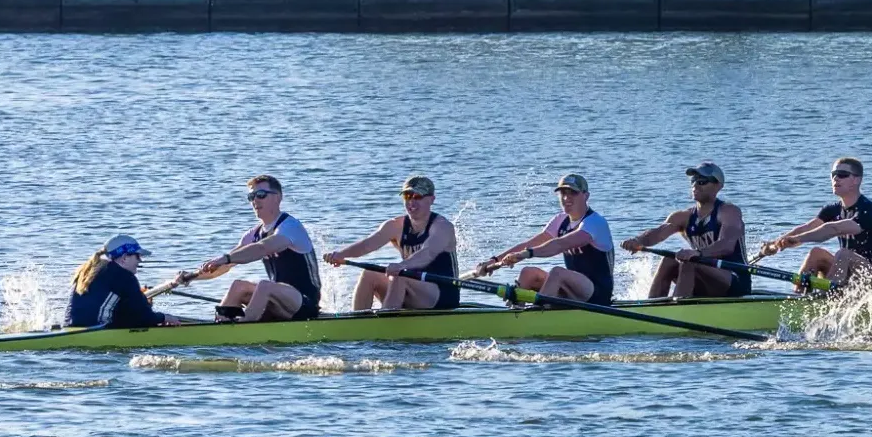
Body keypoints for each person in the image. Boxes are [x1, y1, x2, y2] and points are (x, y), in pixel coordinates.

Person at [179, 175, 324, 322]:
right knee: (238, 286)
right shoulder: (253, 234)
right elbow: (223, 267)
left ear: (278, 197)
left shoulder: (290, 227)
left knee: (264, 286)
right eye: (251, 196)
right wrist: (191, 277)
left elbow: (262, 248)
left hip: (305, 303)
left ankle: (243, 327)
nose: (255, 201)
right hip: (277, 300)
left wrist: (226, 258)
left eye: (261, 195)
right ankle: (221, 324)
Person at [322, 175, 462, 311]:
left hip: (443, 294)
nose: (411, 202)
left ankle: (386, 323)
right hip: (413, 289)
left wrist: (402, 265)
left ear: (432, 199)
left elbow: (427, 253)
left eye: (418, 197)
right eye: (407, 197)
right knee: (370, 273)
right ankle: (355, 323)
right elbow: (367, 245)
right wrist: (340, 255)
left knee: (400, 275)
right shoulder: (395, 225)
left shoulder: (442, 227)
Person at [755, 156, 872, 289]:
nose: (835, 178)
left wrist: (797, 239)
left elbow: (834, 229)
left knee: (843, 254)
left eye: (842, 174)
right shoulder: (832, 210)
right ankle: (799, 298)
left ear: (856, 180)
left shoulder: (869, 211)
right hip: (852, 275)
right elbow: (808, 228)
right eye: (833, 174)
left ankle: (826, 300)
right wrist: (777, 244)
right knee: (816, 253)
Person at [478, 173, 616, 305]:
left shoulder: (595, 222)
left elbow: (560, 244)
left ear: (586, 196)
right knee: (528, 273)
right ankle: (515, 313)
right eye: (563, 193)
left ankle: (538, 313)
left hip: (597, 294)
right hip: (571, 288)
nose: (567, 198)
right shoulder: (560, 220)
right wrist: (495, 260)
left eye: (573, 193)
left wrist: (526, 254)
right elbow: (530, 244)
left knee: (557, 273)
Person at [620, 162, 751, 300]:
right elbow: (657, 233)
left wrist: (698, 253)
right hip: (705, 276)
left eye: (702, 182)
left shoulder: (729, 212)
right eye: (693, 181)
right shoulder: (683, 217)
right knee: (668, 260)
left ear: (718, 186)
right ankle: (651, 306)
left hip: (735, 280)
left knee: (690, 262)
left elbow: (726, 245)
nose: (695, 185)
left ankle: (678, 309)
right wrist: (638, 241)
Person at [65, 235, 178, 328]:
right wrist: (164, 317)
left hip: (70, 328)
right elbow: (145, 318)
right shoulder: (124, 276)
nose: (140, 261)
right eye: (137, 256)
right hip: (97, 331)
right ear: (124, 258)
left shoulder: (88, 270)